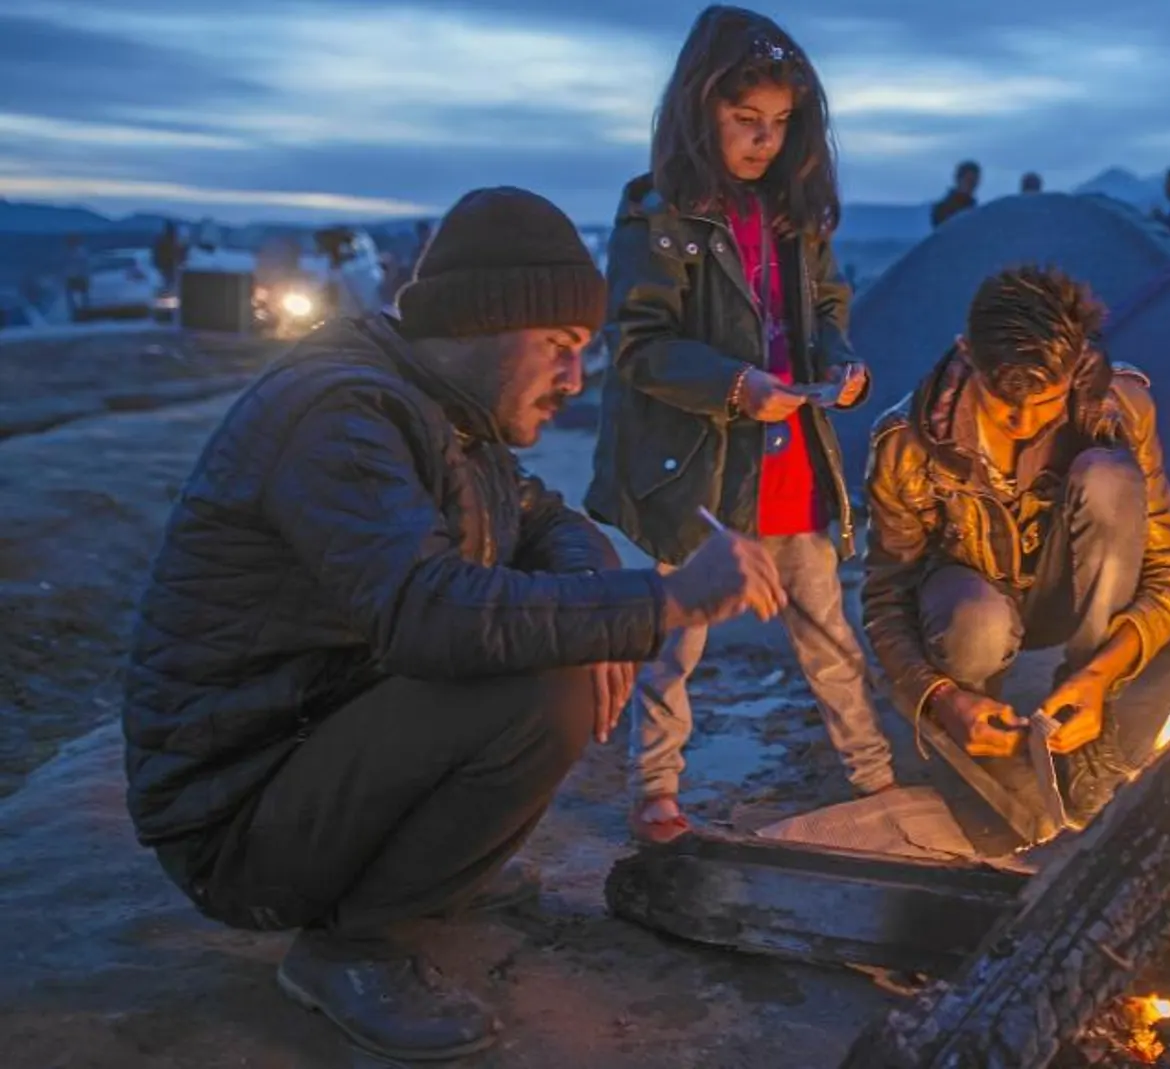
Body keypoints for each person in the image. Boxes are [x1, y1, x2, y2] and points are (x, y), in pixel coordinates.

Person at [121, 185, 786, 1061]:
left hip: (301, 747)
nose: (573, 378)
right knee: (540, 686)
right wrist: (657, 605)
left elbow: (547, 521)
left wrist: (598, 614)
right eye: (557, 346)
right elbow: (426, 612)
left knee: (555, 645)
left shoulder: (443, 414)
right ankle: (351, 943)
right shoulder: (343, 415)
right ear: (479, 323)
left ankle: (415, 879)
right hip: (233, 815)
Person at [586, 5, 895, 842]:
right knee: (674, 640)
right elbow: (640, 345)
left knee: (829, 630)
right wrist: (734, 384)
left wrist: (839, 360)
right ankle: (656, 790)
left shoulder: (794, 213)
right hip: (697, 473)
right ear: (700, 110)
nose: (764, 141)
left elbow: (824, 308)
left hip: (791, 458)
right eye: (745, 121)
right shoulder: (656, 215)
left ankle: (875, 779)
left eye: (781, 124)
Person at [861, 266, 1170, 820]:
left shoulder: (1120, 408)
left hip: (1071, 591)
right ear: (967, 354)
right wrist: (941, 699)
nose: (1023, 422)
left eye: (1046, 403)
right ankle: (980, 728)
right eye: (1002, 403)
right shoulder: (907, 442)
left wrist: (1100, 673)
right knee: (977, 619)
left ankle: (1087, 720)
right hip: (969, 599)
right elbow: (885, 599)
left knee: (1108, 476)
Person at [932, 160, 981, 227]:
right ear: (958, 180)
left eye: (975, 181)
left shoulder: (975, 210)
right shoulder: (942, 209)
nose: (972, 185)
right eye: (969, 180)